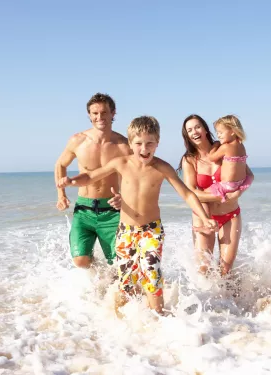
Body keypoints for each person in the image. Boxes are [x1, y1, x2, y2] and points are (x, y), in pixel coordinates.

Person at [57, 116, 218, 316]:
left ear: (157, 143)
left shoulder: (162, 167)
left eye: (150, 143)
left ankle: (158, 315)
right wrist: (72, 181)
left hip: (151, 230)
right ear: (130, 144)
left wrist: (204, 217)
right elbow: (91, 176)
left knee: (151, 272)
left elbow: (187, 193)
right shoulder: (121, 163)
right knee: (126, 277)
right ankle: (127, 319)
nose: (144, 148)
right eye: (139, 143)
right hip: (125, 231)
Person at [54, 93, 130, 269]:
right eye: (95, 113)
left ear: (113, 113)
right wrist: (61, 195)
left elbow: (134, 176)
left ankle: (112, 287)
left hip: (112, 210)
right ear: (89, 115)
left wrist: (123, 197)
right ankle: (99, 282)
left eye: (104, 112)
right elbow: (60, 164)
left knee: (119, 262)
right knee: (80, 260)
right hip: (84, 209)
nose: (99, 117)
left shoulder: (123, 145)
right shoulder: (78, 140)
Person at [178, 114, 254, 276]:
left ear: (205, 129)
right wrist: (221, 197)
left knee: (225, 270)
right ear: (187, 135)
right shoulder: (189, 160)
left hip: (230, 215)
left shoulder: (225, 148)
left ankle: (230, 301)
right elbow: (190, 193)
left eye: (197, 127)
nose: (194, 132)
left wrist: (238, 192)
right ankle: (204, 301)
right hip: (204, 217)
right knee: (203, 270)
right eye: (189, 130)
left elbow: (249, 175)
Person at [208, 115, 252, 202]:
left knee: (202, 196)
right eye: (217, 133)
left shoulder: (226, 147)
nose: (218, 136)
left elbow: (211, 158)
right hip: (241, 183)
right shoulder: (241, 146)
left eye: (220, 132)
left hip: (228, 185)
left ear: (232, 131)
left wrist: (215, 145)